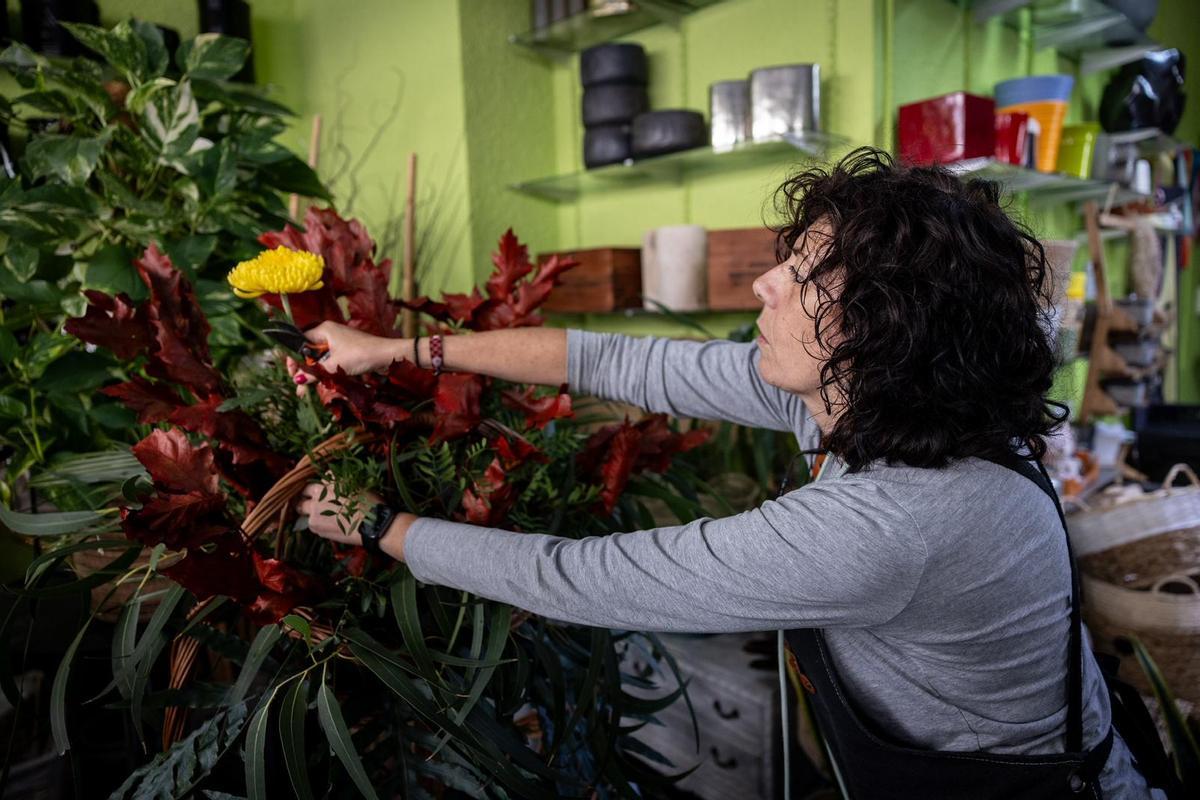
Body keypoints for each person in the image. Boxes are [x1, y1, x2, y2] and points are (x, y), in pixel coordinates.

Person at [290, 148, 1159, 799]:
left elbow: (581, 578)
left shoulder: (898, 523)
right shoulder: (861, 401)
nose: (766, 283)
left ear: (889, 327)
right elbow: (603, 360)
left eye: (810, 273)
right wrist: (392, 349)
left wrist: (376, 525)